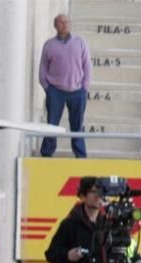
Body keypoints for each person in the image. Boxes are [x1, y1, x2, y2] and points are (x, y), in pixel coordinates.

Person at [39, 14, 91, 159]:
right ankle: (47, 154)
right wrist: (47, 87)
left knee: (77, 125)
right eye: (61, 22)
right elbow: (43, 67)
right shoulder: (49, 44)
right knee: (52, 124)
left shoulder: (80, 42)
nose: (64, 24)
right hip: (55, 91)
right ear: (55, 26)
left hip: (77, 91)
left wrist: (85, 86)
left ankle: (80, 155)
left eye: (66, 21)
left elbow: (87, 66)